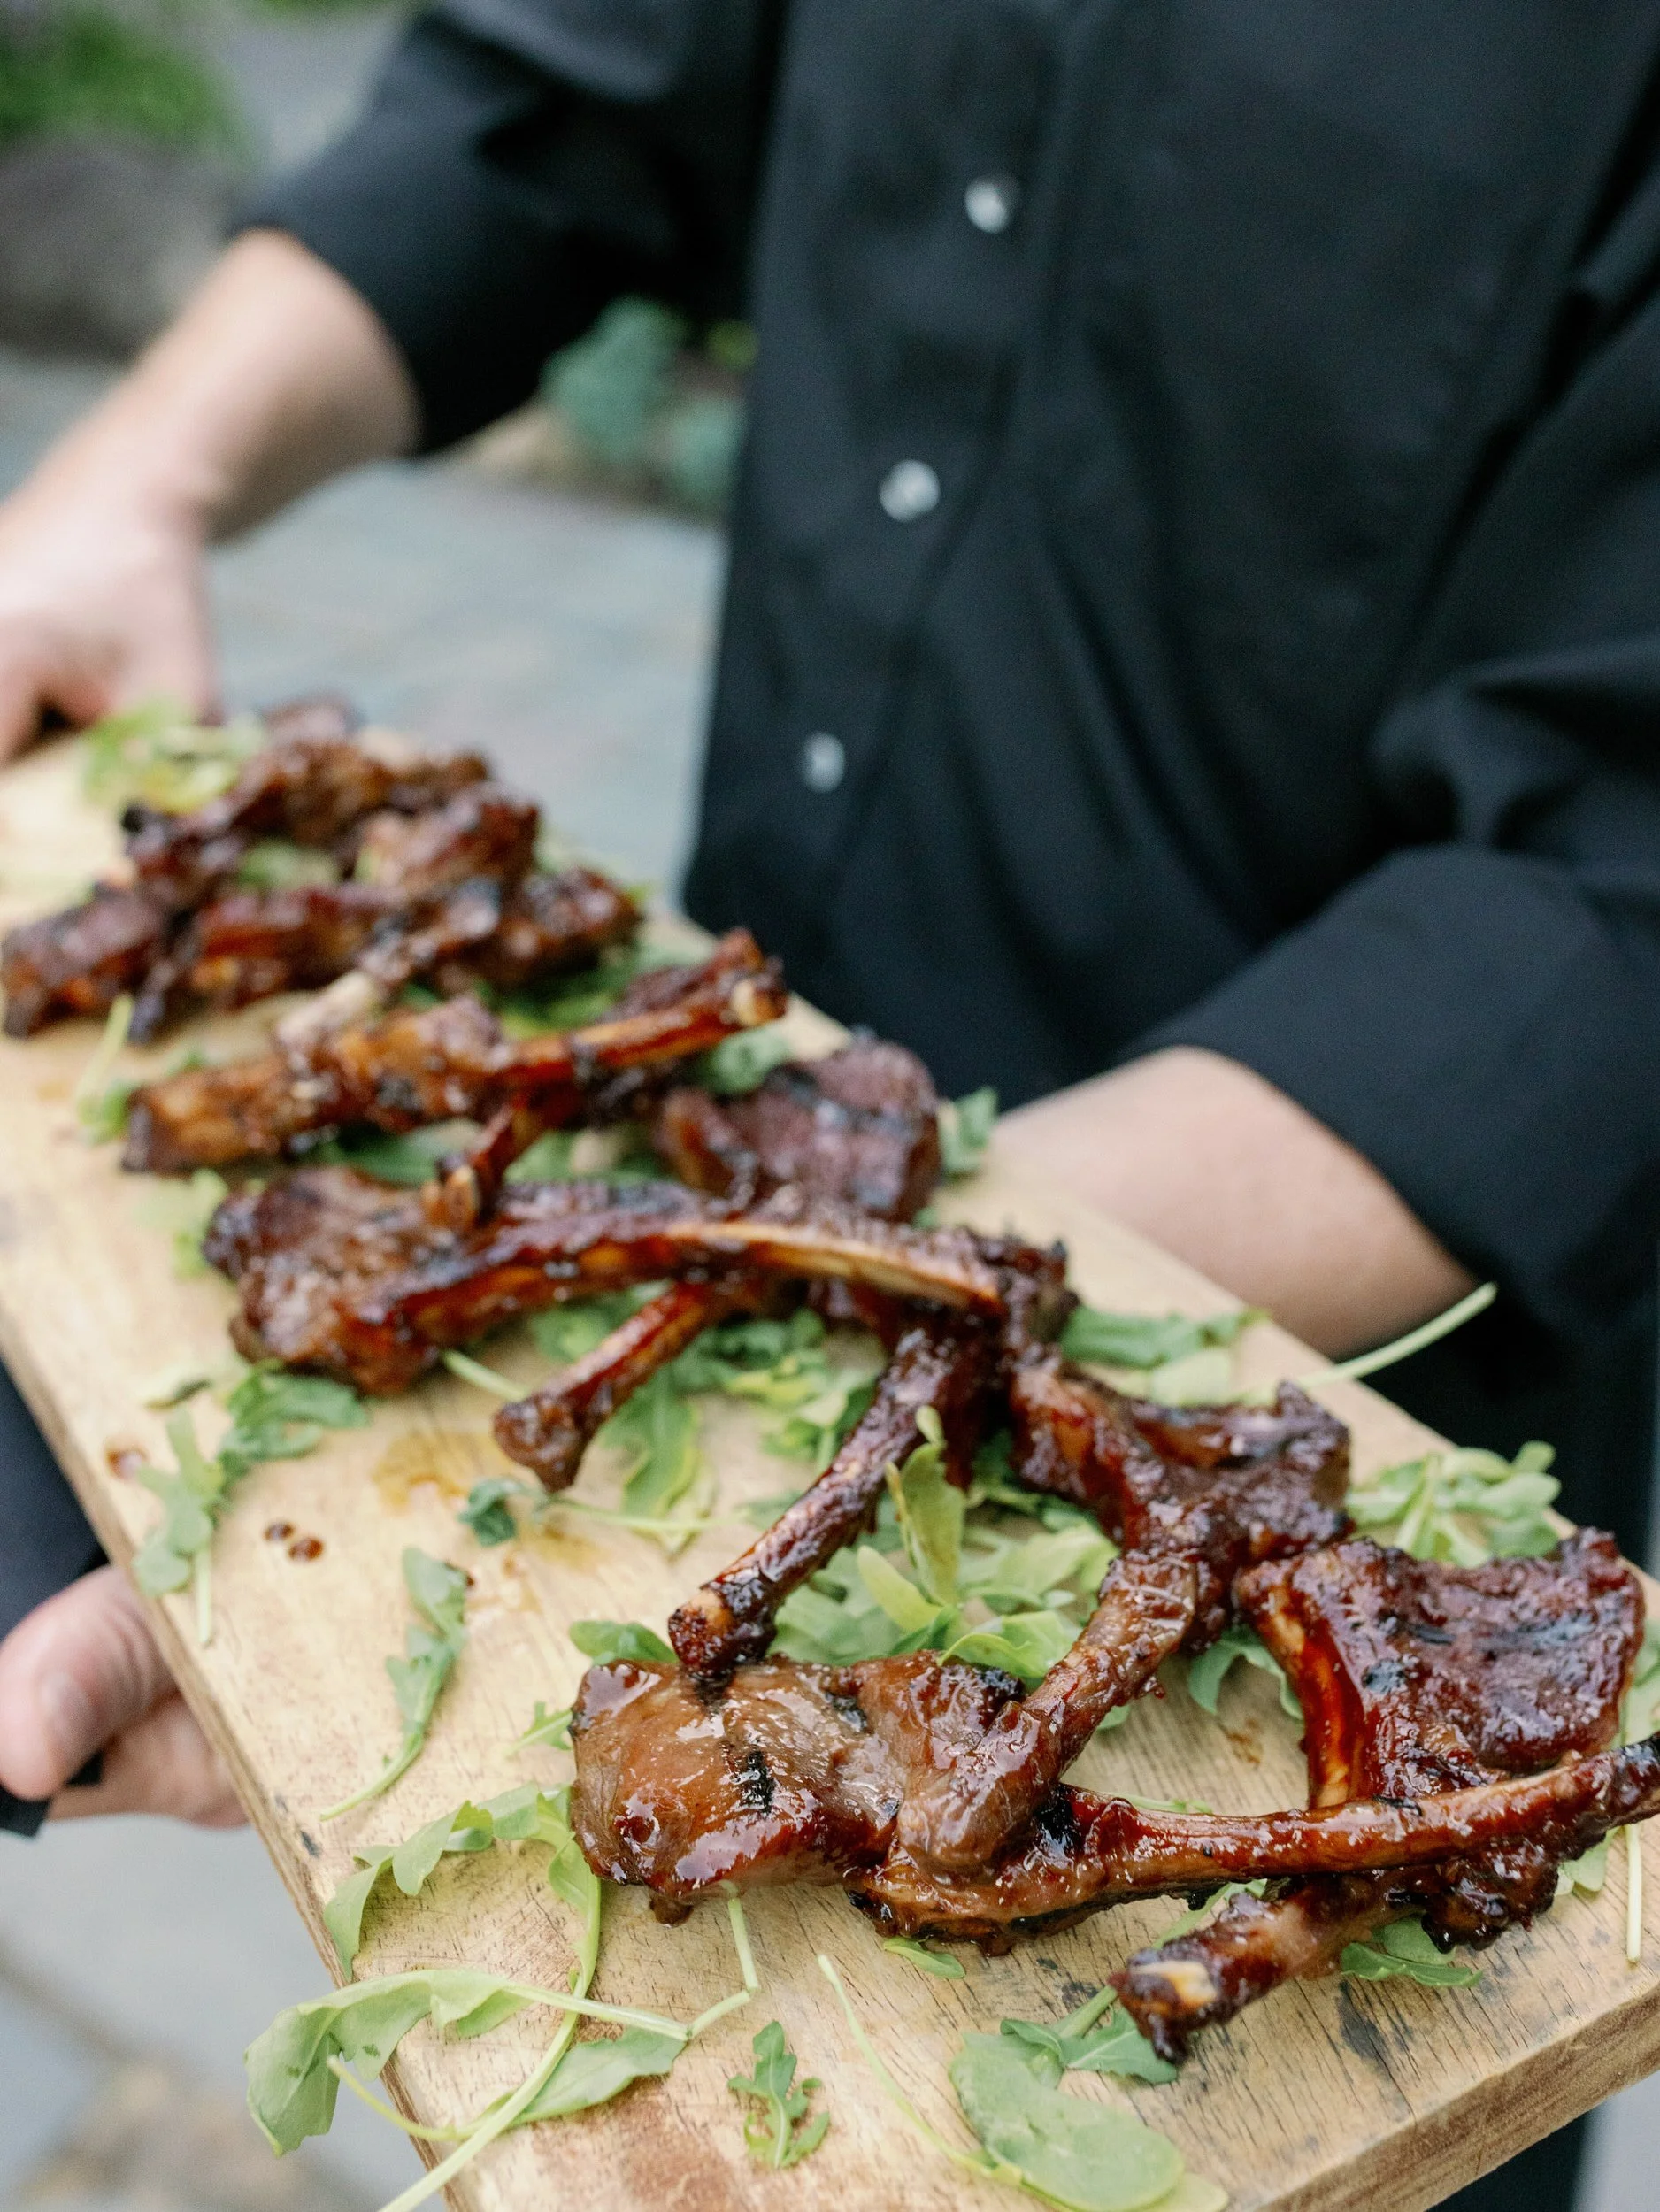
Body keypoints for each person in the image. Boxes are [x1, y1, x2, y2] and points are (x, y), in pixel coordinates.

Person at [3, 3, 1659, 2200]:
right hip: (750, 1089)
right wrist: (129, 485)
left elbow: (1607, 887)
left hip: (1310, 1303)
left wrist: (827, 1320)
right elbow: (556, 93)